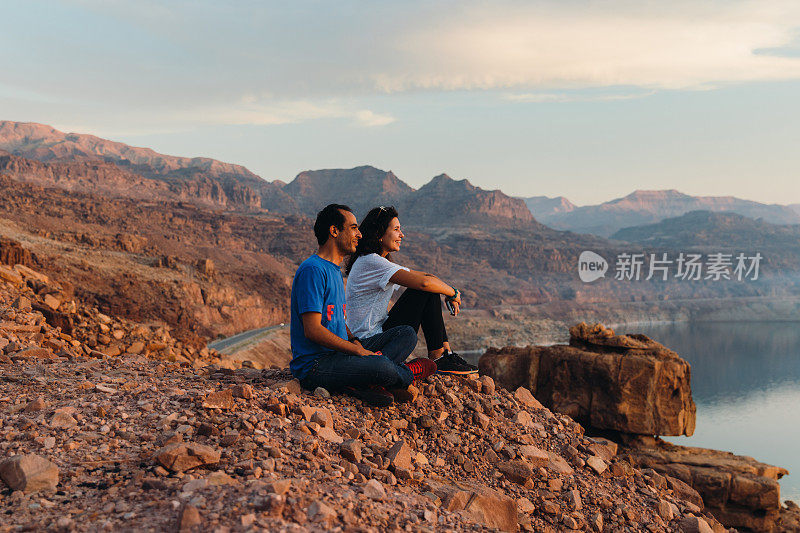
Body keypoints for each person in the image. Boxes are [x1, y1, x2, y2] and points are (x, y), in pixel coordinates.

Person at [289, 203, 436, 407]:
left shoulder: (334, 271)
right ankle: (404, 373)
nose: (359, 234)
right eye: (353, 228)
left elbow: (336, 318)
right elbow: (312, 330)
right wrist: (356, 351)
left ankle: (365, 381)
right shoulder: (313, 270)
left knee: (406, 334)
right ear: (334, 231)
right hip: (316, 365)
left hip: (340, 353)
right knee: (381, 365)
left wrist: (354, 340)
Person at [345, 205, 478, 374]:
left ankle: (445, 353)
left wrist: (449, 290)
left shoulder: (375, 261)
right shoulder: (371, 262)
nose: (402, 235)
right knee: (424, 290)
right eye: (396, 229)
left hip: (375, 334)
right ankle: (439, 357)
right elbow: (424, 283)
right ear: (379, 234)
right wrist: (453, 293)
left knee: (428, 289)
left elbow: (426, 277)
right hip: (368, 342)